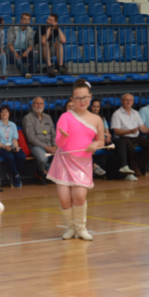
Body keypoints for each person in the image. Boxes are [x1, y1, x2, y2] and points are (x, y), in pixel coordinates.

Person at [48, 80, 105, 240]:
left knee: (79, 196)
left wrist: (95, 144)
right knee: (64, 199)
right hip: (64, 161)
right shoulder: (65, 117)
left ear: (90, 97)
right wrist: (64, 138)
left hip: (83, 162)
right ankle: (71, 228)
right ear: (72, 99)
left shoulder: (96, 119)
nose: (82, 101)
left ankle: (81, 228)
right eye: (78, 98)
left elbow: (101, 141)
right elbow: (58, 143)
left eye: (85, 98)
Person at [110, 93, 149, 178]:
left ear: (133, 102)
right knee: (130, 148)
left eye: (130, 100)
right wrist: (129, 131)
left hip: (136, 137)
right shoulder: (117, 114)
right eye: (126, 100)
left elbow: (142, 127)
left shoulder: (135, 113)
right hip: (123, 138)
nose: (129, 102)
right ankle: (128, 169)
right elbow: (116, 131)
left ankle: (136, 164)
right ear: (122, 101)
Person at [22, 97, 56, 185]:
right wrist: (46, 147)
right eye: (36, 103)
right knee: (42, 158)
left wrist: (55, 145)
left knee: (64, 154)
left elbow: (53, 134)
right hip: (35, 145)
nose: (39, 105)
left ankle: (46, 171)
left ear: (44, 105)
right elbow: (30, 138)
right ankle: (43, 171)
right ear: (32, 105)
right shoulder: (27, 118)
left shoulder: (48, 117)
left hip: (50, 144)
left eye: (41, 103)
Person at [0, 105, 26, 188]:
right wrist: (4, 147)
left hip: (11, 146)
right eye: (2, 112)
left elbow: (14, 139)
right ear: (0, 114)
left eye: (6, 111)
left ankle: (11, 173)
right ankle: (16, 176)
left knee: (22, 156)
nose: (4, 113)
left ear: (9, 114)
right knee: (10, 156)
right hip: (0, 147)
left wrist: (16, 147)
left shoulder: (13, 125)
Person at [89, 98, 121, 178]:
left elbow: (108, 133)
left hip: (104, 140)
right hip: (93, 141)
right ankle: (95, 167)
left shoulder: (102, 118)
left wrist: (108, 136)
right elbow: (92, 132)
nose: (96, 108)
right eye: (94, 106)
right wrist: (103, 134)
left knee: (121, 143)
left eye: (98, 107)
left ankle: (120, 169)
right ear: (91, 107)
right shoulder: (87, 117)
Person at [7, 12, 35, 78]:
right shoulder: (13, 28)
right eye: (25, 19)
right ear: (21, 20)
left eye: (28, 19)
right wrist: (15, 53)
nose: (26, 21)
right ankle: (26, 74)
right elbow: (9, 43)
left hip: (24, 52)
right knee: (17, 58)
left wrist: (28, 50)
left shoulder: (30, 29)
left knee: (35, 54)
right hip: (12, 51)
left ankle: (32, 72)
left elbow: (31, 44)